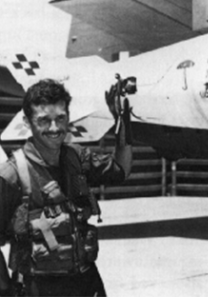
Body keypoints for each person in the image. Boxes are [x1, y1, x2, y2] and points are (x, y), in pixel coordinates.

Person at [0, 79, 132, 297]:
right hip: (38, 287)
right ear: (27, 122)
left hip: (86, 281)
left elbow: (121, 170)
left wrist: (122, 121)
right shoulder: (12, 175)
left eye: (60, 118)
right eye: (44, 120)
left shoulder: (78, 158)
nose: (54, 128)